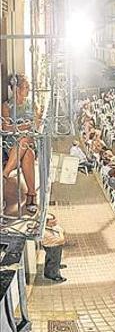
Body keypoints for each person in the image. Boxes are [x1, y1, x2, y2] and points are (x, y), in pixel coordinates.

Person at [2, 74, 40, 213]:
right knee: (28, 153)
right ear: (16, 89)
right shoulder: (6, 106)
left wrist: (18, 127)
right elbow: (5, 128)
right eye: (26, 87)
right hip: (12, 144)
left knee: (25, 141)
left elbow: (36, 125)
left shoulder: (33, 103)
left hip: (29, 139)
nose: (29, 89)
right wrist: (25, 125)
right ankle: (31, 195)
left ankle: (4, 175)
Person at [42, 213, 66, 282]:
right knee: (53, 259)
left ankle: (56, 266)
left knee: (56, 258)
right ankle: (53, 274)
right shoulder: (45, 233)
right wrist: (60, 233)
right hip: (51, 246)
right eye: (52, 222)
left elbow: (61, 229)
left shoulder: (51, 226)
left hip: (55, 245)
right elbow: (61, 240)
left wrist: (60, 231)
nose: (55, 223)